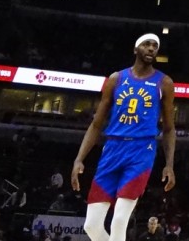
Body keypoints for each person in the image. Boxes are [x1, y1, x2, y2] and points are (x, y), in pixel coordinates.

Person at [71, 34, 176, 241]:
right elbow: (96, 124)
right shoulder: (116, 79)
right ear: (135, 49)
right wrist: (78, 159)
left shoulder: (164, 82)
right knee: (91, 226)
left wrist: (169, 163)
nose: (151, 49)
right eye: (147, 44)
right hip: (112, 149)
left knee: (119, 220)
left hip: (141, 150)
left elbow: (169, 129)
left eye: (155, 46)